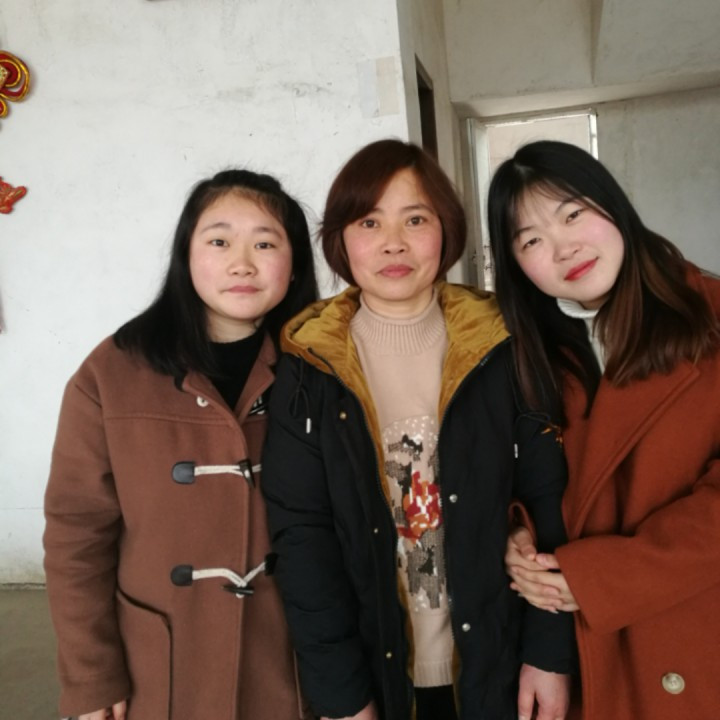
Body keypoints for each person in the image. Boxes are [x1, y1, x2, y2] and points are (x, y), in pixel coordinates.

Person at [261, 139, 575, 720]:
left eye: (415, 219)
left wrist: (549, 653)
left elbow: (549, 500)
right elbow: (303, 539)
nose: (393, 242)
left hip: (501, 666)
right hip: (374, 677)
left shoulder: (502, 344)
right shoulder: (309, 364)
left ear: (446, 229)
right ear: (340, 240)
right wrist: (341, 696)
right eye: (369, 221)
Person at [43, 169, 318, 720]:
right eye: (219, 241)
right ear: (186, 256)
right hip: (159, 669)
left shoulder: (319, 369)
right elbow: (77, 535)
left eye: (266, 243)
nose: (242, 263)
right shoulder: (111, 374)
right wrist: (91, 676)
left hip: (293, 664)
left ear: (293, 266)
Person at [487, 139, 720, 720]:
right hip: (591, 650)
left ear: (612, 205)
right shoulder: (528, 356)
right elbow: (528, 476)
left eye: (572, 214)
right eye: (531, 240)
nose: (563, 247)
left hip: (694, 634)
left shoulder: (713, 318)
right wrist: (516, 535)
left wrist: (598, 579)